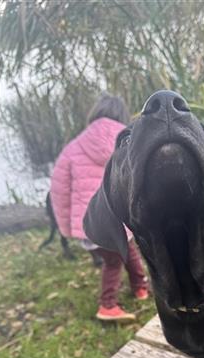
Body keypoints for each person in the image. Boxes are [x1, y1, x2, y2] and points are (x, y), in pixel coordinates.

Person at [50, 93, 148, 322]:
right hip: (119, 220)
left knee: (127, 253)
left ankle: (140, 286)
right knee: (115, 260)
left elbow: (59, 191)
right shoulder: (130, 142)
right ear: (122, 115)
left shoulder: (72, 148)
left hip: (89, 226)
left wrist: (67, 228)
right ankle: (107, 305)